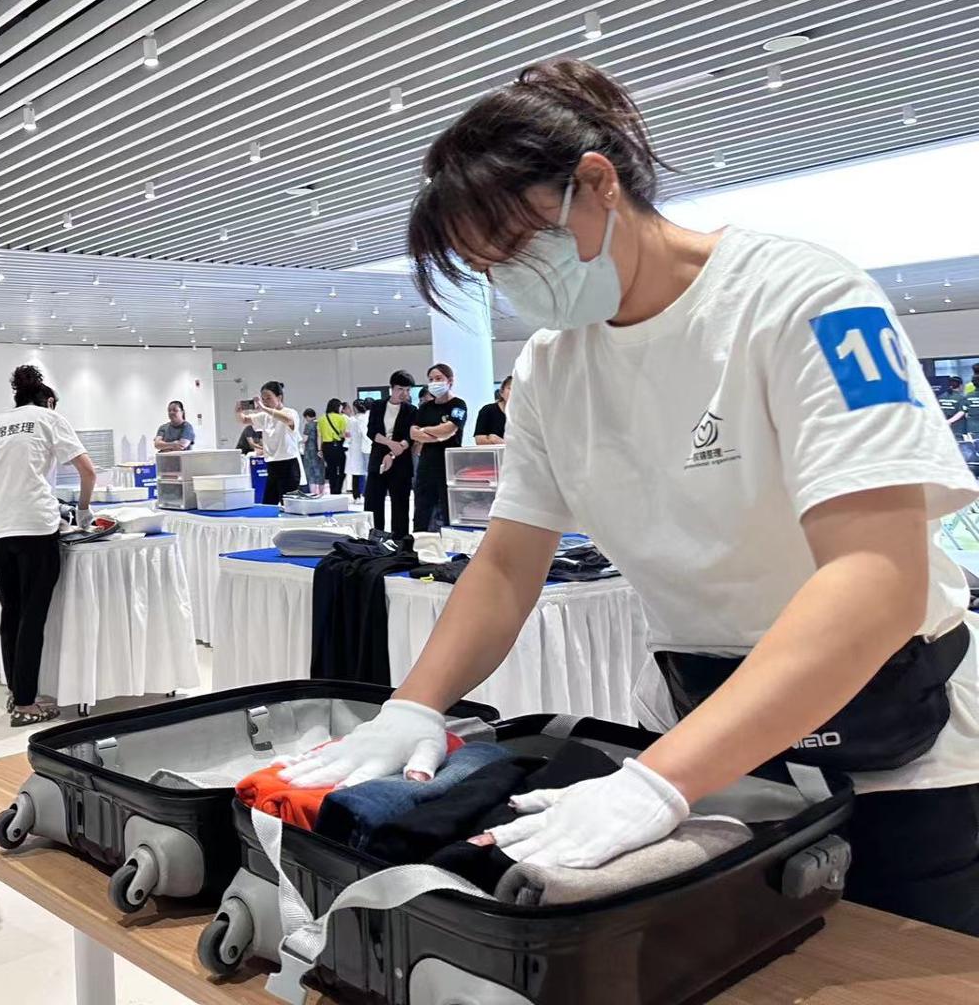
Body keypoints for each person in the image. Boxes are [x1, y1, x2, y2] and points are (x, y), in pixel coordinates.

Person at [282, 58, 979, 935]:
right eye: (485, 268)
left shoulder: (800, 298)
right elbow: (508, 563)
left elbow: (877, 577)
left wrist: (659, 782)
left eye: (515, 251)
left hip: (895, 752)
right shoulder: (553, 365)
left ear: (597, 184)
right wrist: (413, 705)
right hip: (705, 728)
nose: (509, 282)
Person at [0, 365, 96, 725]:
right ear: (48, 401)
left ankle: (19, 694)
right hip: (34, 524)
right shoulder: (48, 418)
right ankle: (27, 704)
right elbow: (88, 471)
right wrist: (84, 509)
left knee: (11, 612)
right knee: (33, 615)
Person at [410, 363, 468, 532]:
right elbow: (413, 433)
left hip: (449, 465)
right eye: (431, 379)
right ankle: (418, 540)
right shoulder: (425, 407)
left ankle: (450, 541)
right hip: (427, 464)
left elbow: (449, 430)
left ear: (450, 381)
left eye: (438, 378)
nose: (434, 382)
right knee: (422, 507)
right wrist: (437, 435)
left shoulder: (458, 405)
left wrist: (425, 431)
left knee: (448, 508)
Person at [364, 371, 417, 533]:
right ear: (392, 388)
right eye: (400, 389)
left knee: (400, 503)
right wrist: (390, 443)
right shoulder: (378, 406)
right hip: (378, 458)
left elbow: (410, 437)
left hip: (401, 460)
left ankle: (399, 540)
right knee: (373, 501)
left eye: (407, 390)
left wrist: (394, 452)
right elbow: (372, 432)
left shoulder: (411, 410)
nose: (404, 393)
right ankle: (374, 537)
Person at [238, 381, 302, 505]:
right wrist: (238, 411)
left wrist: (264, 409)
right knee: (268, 503)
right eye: (263, 399)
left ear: (279, 397)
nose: (265, 401)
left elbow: (288, 420)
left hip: (288, 464)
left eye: (268, 398)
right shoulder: (265, 416)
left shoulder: (290, 412)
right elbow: (244, 420)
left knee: (289, 505)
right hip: (272, 464)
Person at [318, 398, 349, 494]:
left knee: (331, 469)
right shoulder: (341, 418)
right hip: (337, 445)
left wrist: (319, 449)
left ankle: (333, 490)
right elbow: (342, 434)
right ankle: (338, 489)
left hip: (326, 446)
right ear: (337, 407)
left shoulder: (321, 418)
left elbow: (319, 436)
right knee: (342, 468)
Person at [474, 377, 513, 445]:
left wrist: (498, 441)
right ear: (501, 392)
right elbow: (479, 440)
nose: (514, 392)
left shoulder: (525, 413)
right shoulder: (487, 410)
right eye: (510, 388)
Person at [299, 409, 325, 496]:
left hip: (310, 452)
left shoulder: (308, 425)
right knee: (320, 472)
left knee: (310, 473)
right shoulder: (320, 423)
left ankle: (313, 494)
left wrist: (298, 442)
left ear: (307, 416)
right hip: (320, 451)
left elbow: (305, 439)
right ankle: (322, 493)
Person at [345, 400, 367, 497]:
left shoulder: (352, 420)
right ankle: (366, 493)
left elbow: (347, 434)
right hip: (366, 447)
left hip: (354, 447)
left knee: (356, 472)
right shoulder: (366, 418)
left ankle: (356, 495)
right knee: (366, 471)